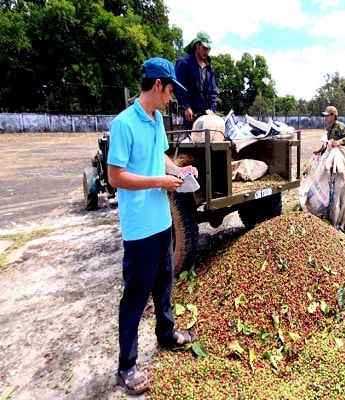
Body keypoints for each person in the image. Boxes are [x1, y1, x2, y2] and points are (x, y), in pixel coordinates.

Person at [107, 57, 198, 396]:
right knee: (135, 295)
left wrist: (179, 172)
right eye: (171, 89)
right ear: (158, 85)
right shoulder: (124, 124)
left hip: (162, 222)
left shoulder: (157, 119)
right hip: (139, 227)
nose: (172, 97)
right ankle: (126, 365)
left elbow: (161, 157)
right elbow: (116, 177)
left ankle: (166, 333)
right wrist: (159, 180)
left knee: (164, 283)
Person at [174, 31, 218, 129]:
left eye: (209, 49)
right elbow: (178, 88)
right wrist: (185, 107)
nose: (207, 52)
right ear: (197, 45)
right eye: (204, 48)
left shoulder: (209, 68)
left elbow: (213, 92)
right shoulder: (184, 63)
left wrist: (212, 109)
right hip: (191, 116)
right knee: (192, 142)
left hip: (207, 118)